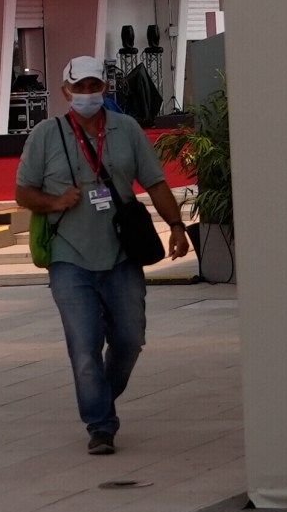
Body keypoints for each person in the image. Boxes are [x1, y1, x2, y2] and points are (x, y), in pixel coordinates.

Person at [14, 56, 190, 455]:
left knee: (130, 339)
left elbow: (157, 183)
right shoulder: (46, 135)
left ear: (104, 89)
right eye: (80, 88)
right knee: (85, 344)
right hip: (69, 256)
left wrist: (177, 226)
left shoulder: (126, 130)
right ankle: (100, 424)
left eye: (94, 87)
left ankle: (101, 398)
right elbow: (23, 193)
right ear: (66, 91)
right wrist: (56, 201)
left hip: (122, 255)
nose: (88, 94)